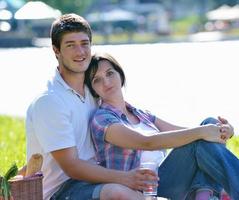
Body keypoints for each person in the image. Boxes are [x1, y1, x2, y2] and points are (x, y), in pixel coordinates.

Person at [84, 52, 239, 200]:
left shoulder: (140, 113)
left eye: (110, 73)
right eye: (97, 80)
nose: (106, 82)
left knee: (208, 124)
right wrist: (203, 132)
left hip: (169, 180)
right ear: (93, 90)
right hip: (146, 191)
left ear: (120, 74)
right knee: (199, 136)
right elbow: (147, 142)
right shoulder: (102, 119)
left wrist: (224, 131)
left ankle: (205, 195)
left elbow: (183, 132)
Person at [26, 13, 156, 200]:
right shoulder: (50, 101)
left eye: (84, 43)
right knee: (117, 192)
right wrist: (125, 178)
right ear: (56, 50)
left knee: (197, 146)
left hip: (99, 179)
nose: (80, 52)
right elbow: (72, 167)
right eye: (71, 45)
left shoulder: (93, 89)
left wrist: (203, 131)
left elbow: (133, 118)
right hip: (62, 191)